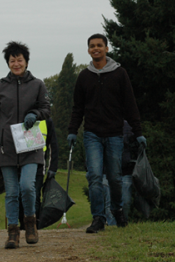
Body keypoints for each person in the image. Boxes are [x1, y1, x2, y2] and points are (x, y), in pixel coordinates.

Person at [67, 33, 147, 233]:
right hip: (92, 134)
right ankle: (98, 218)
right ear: (88, 50)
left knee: (114, 178)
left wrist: (138, 132)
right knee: (94, 176)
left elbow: (130, 105)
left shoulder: (120, 74)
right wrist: (72, 131)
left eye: (99, 45)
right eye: (92, 46)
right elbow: (78, 108)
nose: (96, 49)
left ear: (106, 48)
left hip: (114, 134)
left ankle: (117, 209)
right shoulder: (84, 77)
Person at [0, 41, 50, 249]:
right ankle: (12, 232)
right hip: (6, 147)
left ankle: (31, 223)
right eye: (12, 60)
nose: (16, 64)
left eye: (20, 60)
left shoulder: (38, 85)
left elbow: (46, 109)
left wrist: (34, 114)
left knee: (27, 186)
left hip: (30, 145)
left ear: (26, 62)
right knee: (11, 192)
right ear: (7, 63)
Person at [19, 118, 59, 229]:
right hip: (19, 163)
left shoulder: (47, 122)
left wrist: (52, 168)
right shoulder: (20, 117)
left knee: (34, 195)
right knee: (19, 195)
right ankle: (23, 225)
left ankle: (33, 225)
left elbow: (53, 146)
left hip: (39, 164)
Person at [103, 120, 137, 225]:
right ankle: (113, 226)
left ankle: (121, 223)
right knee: (109, 202)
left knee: (126, 201)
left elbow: (134, 146)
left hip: (125, 170)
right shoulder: (101, 125)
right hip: (106, 170)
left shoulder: (128, 127)